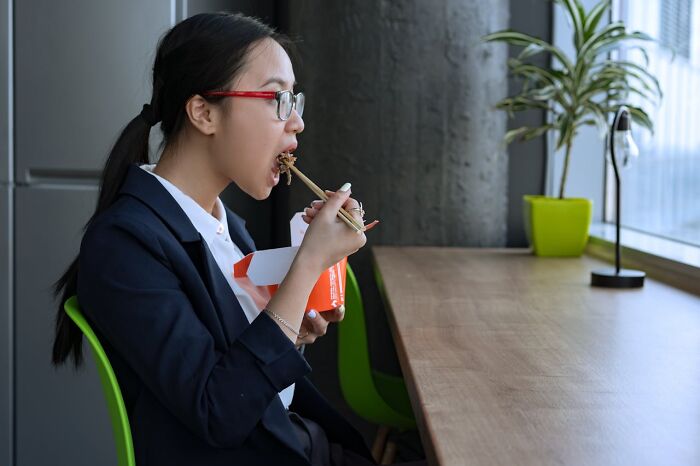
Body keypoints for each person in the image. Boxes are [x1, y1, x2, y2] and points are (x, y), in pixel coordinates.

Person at [50, 12, 424, 466]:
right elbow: (219, 413)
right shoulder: (126, 245)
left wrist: (291, 329)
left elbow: (244, 375)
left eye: (294, 101)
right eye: (275, 99)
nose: (297, 123)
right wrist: (306, 265)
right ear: (204, 112)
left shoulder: (227, 226)